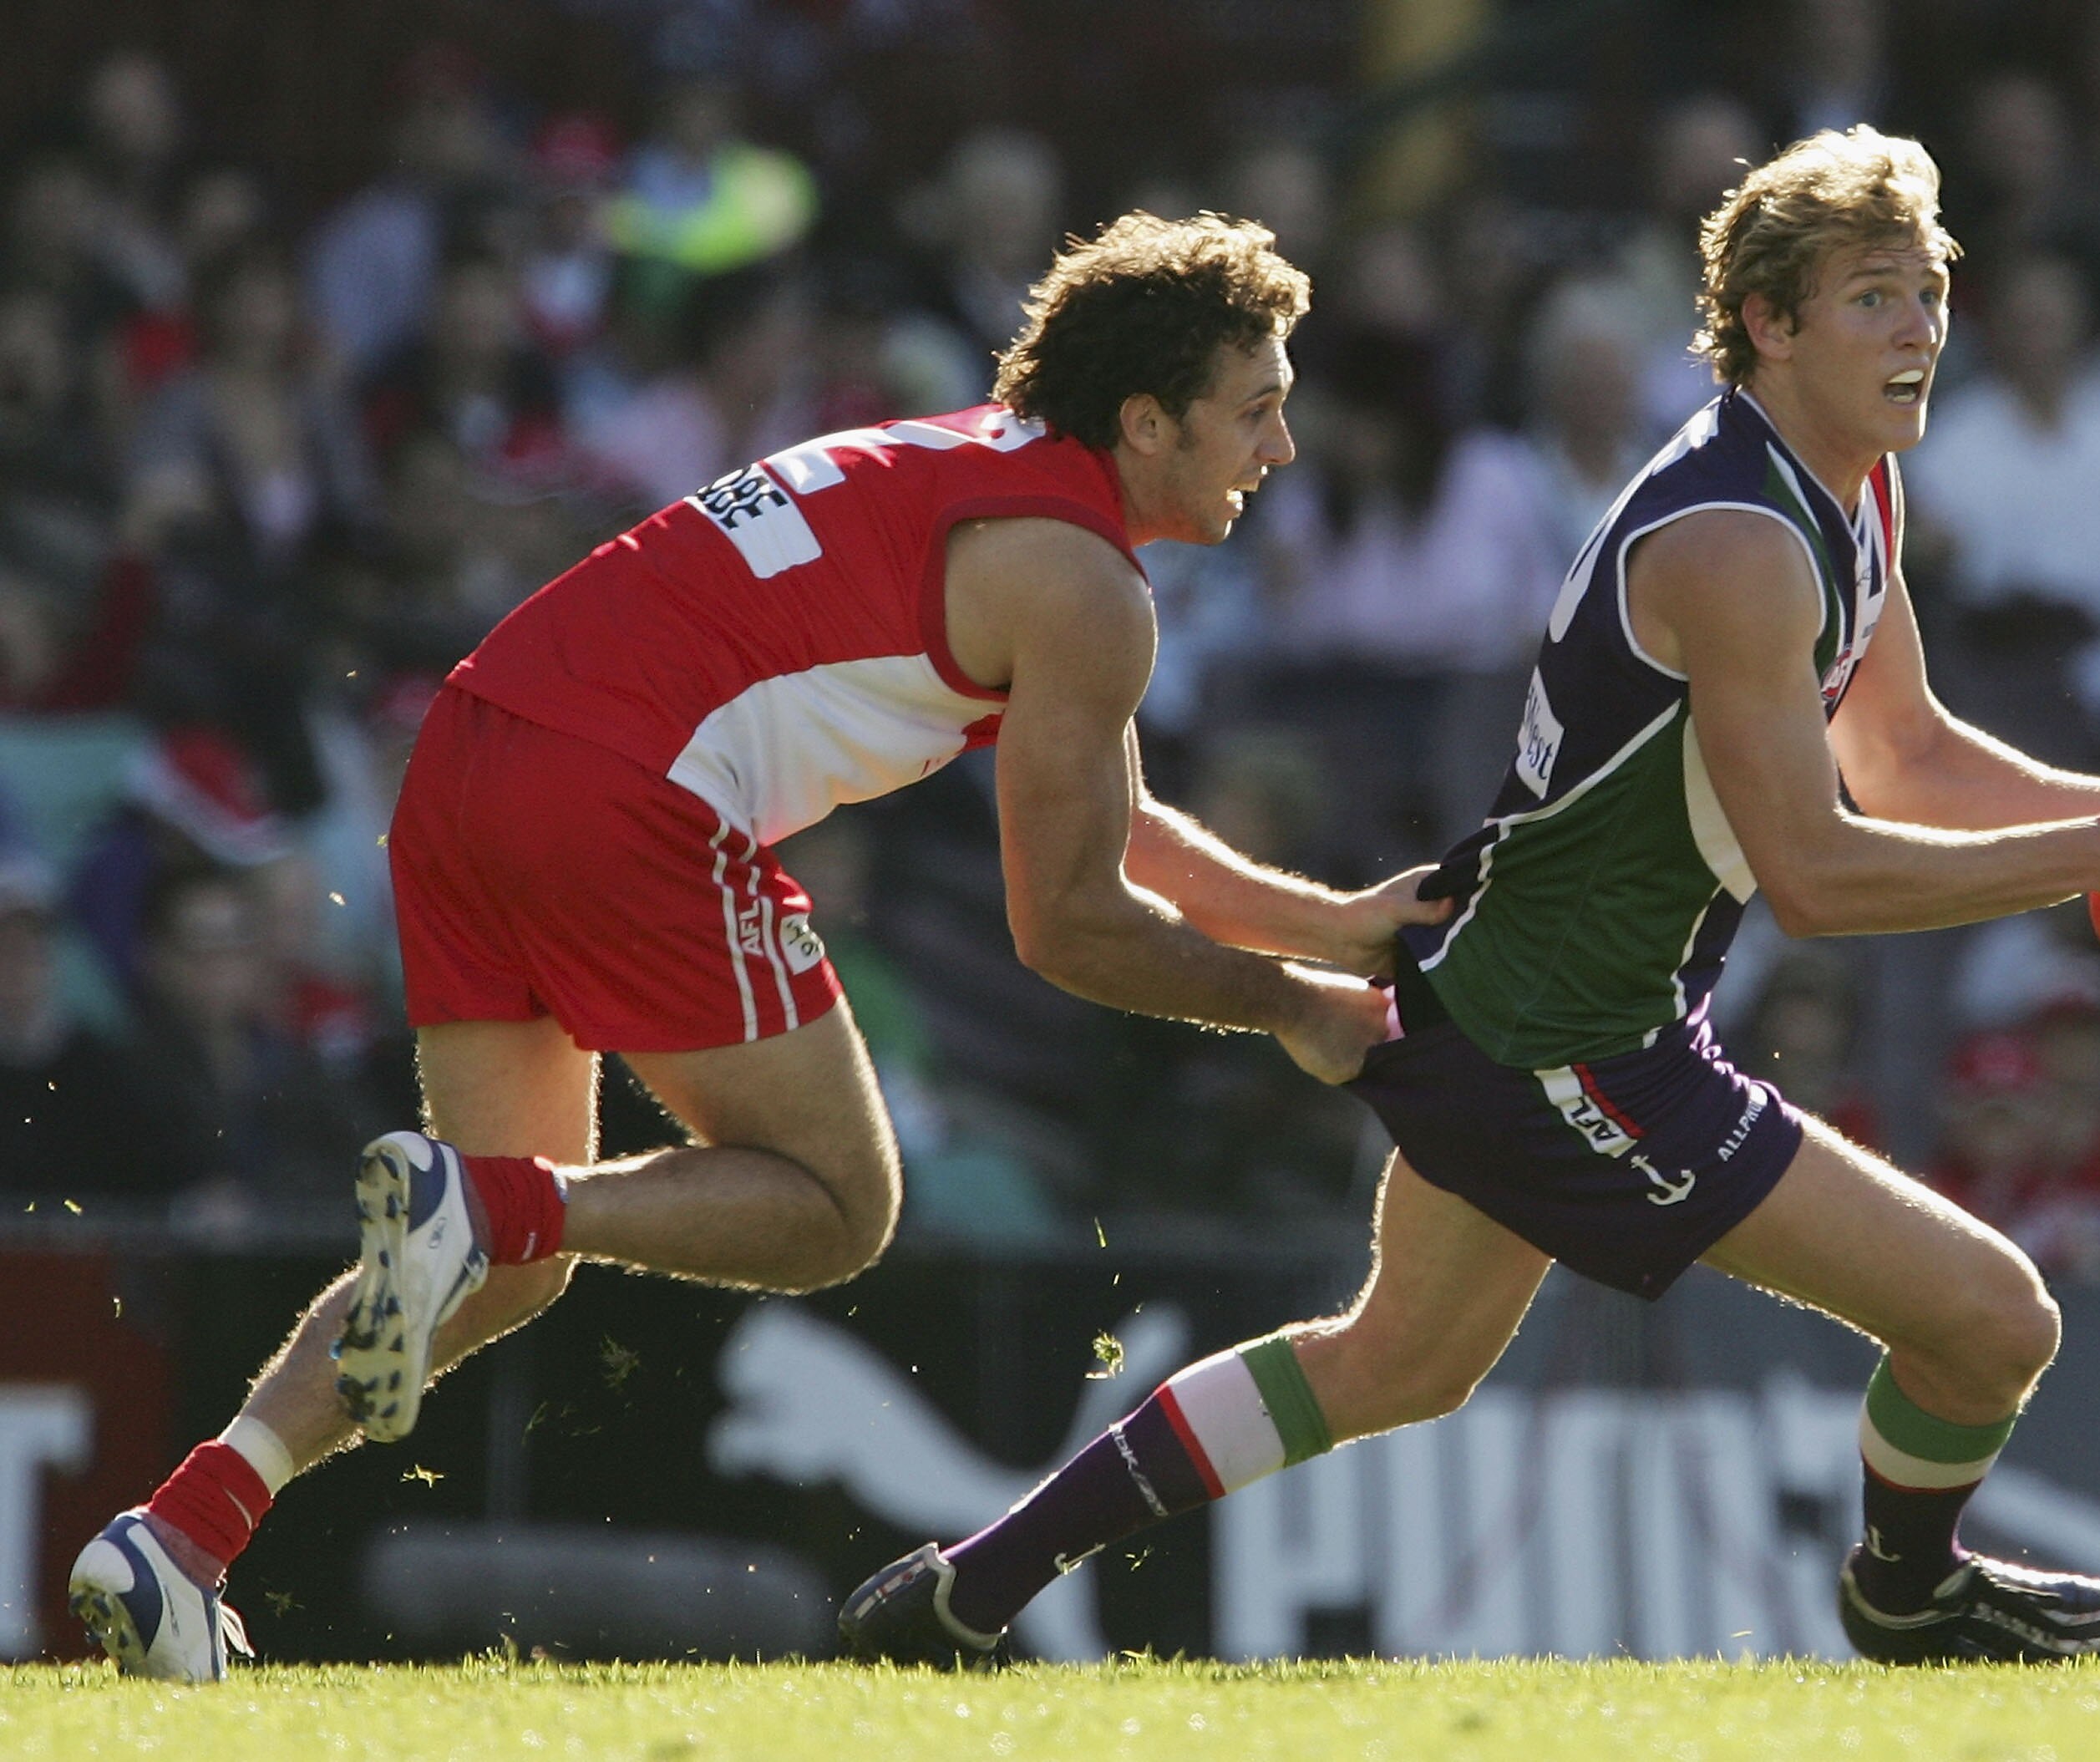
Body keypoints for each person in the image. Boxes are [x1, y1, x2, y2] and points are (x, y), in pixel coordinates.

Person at [839, 128, 2100, 1671]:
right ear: (1771, 321)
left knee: (1392, 1362)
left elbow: (1912, 754)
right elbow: (1815, 872)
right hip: (1566, 1039)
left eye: (1932, 291)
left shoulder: (1841, 489)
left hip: (1531, 1006)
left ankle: (965, 1588)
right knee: (1995, 1318)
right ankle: (1908, 1596)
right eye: (1878, 297)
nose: (1923, 328)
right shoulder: (1741, 542)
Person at [66, 211, 1436, 1681]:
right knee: (838, 1204)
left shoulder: (989, 466)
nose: (1281, 448)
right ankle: (499, 1208)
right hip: (622, 790)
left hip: (467, 756)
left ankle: (182, 1534)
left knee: (495, 1253)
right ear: (1148, 419)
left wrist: (1336, 921)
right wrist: (1297, 1006)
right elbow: (1071, 924)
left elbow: (1116, 815)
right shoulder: (1088, 585)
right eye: (1258, 408)